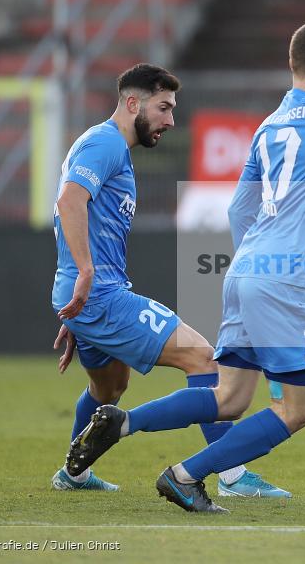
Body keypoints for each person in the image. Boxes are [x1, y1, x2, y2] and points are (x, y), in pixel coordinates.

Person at [63, 21, 305, 514]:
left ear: (290, 65)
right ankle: (186, 475)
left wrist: (254, 267)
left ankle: (123, 422)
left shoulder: (267, 127)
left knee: (229, 397)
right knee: (296, 411)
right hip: (279, 280)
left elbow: (239, 210)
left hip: (243, 271)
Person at [49, 63, 289, 499]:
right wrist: (85, 275)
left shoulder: (104, 146)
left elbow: (78, 211)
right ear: (133, 103)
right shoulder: (105, 143)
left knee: (110, 388)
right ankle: (231, 475)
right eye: (163, 107)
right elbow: (69, 201)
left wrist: (75, 299)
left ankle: (74, 474)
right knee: (203, 359)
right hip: (99, 294)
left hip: (89, 298)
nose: (170, 119)